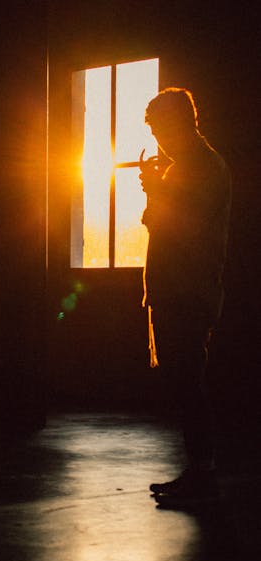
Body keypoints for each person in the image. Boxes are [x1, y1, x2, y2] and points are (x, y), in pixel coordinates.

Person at [140, 87, 231, 502]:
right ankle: (198, 471)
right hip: (176, 290)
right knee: (185, 383)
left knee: (190, 383)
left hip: (187, 292)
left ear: (180, 122)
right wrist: (157, 192)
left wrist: (159, 192)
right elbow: (162, 224)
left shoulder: (204, 168)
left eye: (160, 126)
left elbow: (186, 229)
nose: (158, 136)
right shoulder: (184, 168)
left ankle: (203, 475)